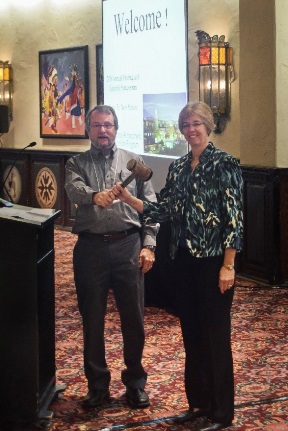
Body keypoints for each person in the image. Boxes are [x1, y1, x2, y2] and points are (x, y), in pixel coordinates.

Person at [112, 101, 243, 431]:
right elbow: (162, 211)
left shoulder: (225, 164)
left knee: (215, 339)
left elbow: (235, 220)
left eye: (197, 123)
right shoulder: (180, 166)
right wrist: (129, 200)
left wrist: (228, 265)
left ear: (208, 126)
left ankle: (221, 413)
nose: (191, 129)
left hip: (214, 264)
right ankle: (198, 404)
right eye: (185, 124)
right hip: (183, 263)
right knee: (192, 336)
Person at [65, 105, 158, 409]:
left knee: (134, 320)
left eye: (108, 125)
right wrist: (94, 196)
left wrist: (148, 244)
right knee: (91, 320)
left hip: (128, 247)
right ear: (88, 130)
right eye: (96, 125)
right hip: (90, 249)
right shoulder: (75, 163)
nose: (102, 130)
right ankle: (97, 386)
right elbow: (73, 189)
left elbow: (151, 207)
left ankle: (135, 383)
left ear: (116, 129)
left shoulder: (134, 164)